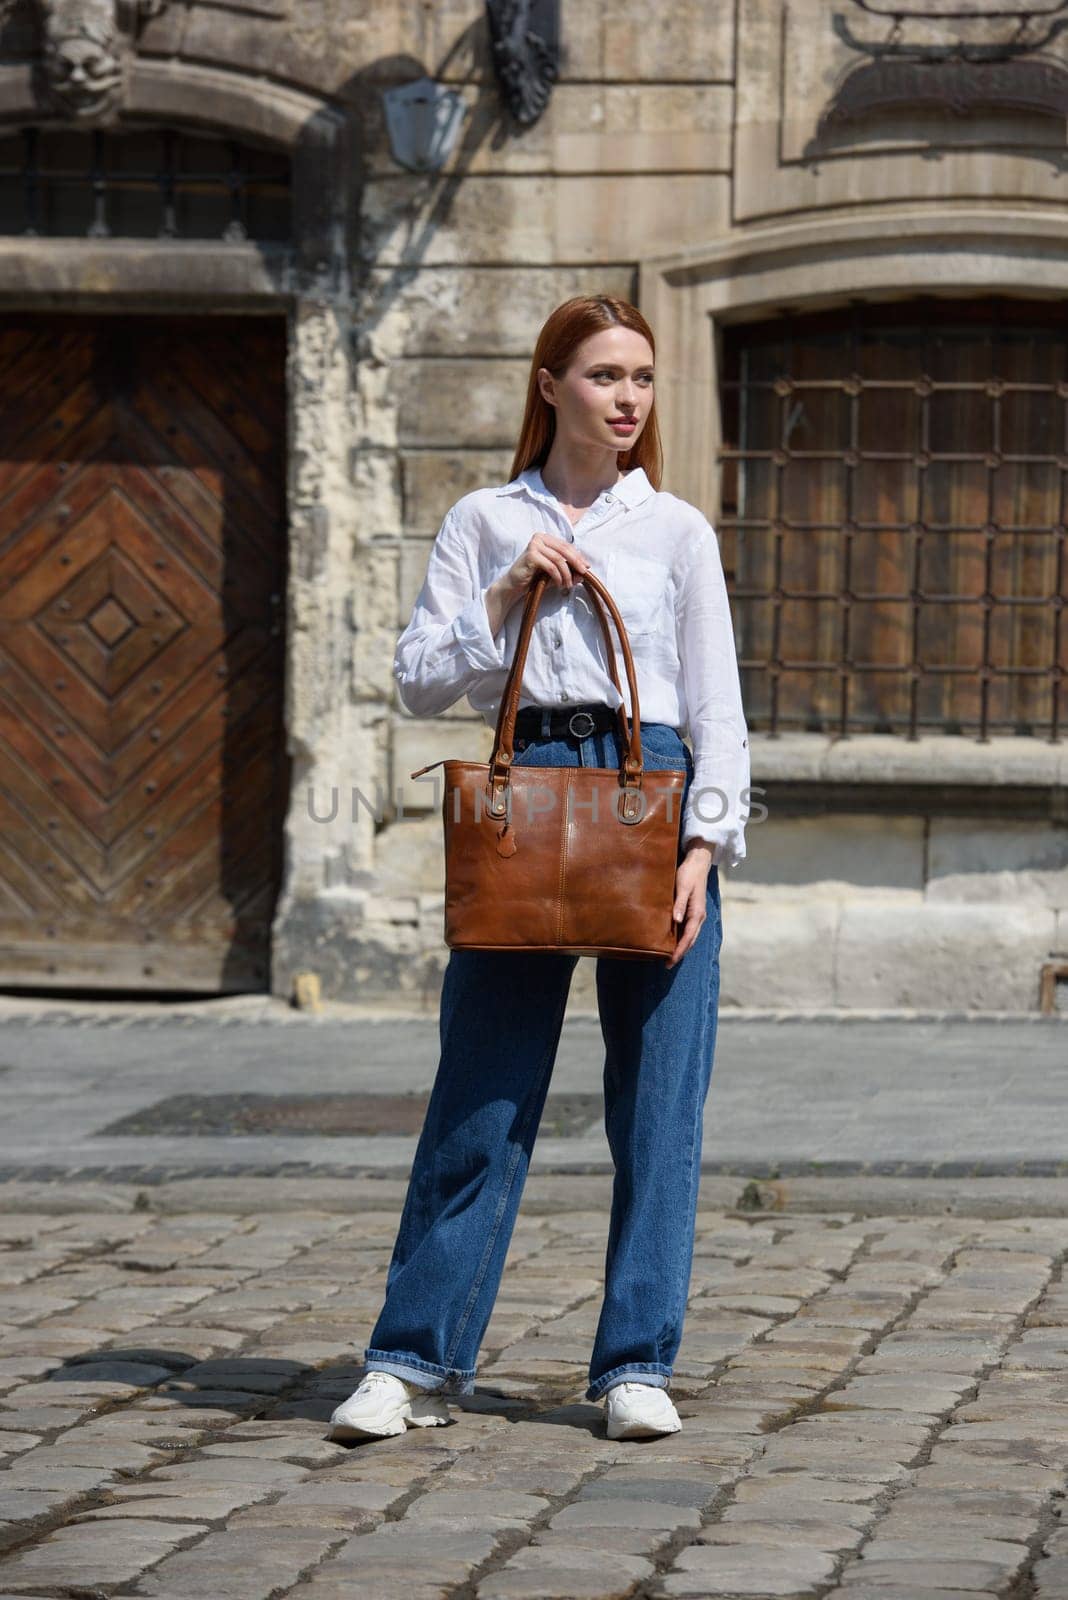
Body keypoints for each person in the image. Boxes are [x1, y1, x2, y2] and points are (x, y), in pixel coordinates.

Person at [329, 294, 750, 1443]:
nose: (628, 399)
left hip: (650, 791)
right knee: (481, 1090)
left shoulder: (675, 531)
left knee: (659, 1102)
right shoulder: (482, 519)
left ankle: (634, 1365)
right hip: (526, 789)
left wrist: (702, 849)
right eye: (607, 374)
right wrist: (506, 593)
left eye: (644, 379)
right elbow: (421, 681)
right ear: (550, 382)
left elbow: (718, 706)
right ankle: (410, 1360)